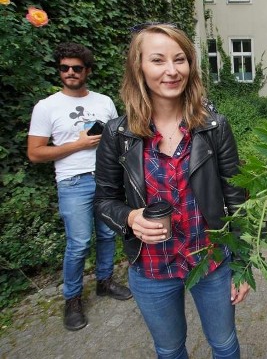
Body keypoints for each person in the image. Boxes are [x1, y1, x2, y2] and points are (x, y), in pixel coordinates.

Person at [94, 23, 249, 359]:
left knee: (223, 344)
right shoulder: (117, 134)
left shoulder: (213, 127)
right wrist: (131, 217)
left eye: (180, 59)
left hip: (210, 262)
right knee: (169, 349)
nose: (171, 70)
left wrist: (243, 265)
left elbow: (236, 197)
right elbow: (104, 201)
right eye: (158, 60)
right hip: (151, 267)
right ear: (139, 67)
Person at [27, 42, 132, 332]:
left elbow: (118, 140)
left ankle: (104, 281)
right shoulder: (46, 107)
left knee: (108, 235)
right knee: (79, 243)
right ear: (59, 70)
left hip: (106, 179)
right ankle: (72, 299)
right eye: (64, 68)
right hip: (73, 182)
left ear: (87, 71)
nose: (70, 72)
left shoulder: (104, 102)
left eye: (76, 68)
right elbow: (35, 153)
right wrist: (79, 144)